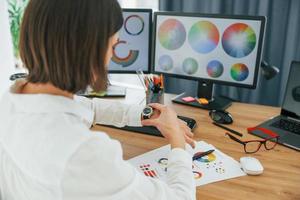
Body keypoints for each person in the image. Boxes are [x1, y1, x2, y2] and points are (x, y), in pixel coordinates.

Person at [0, 0, 196, 199]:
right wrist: (179, 144)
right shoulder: (84, 153)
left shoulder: (11, 100)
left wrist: (145, 114)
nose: (111, 57)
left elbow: (86, 106)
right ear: (89, 51)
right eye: (112, 46)